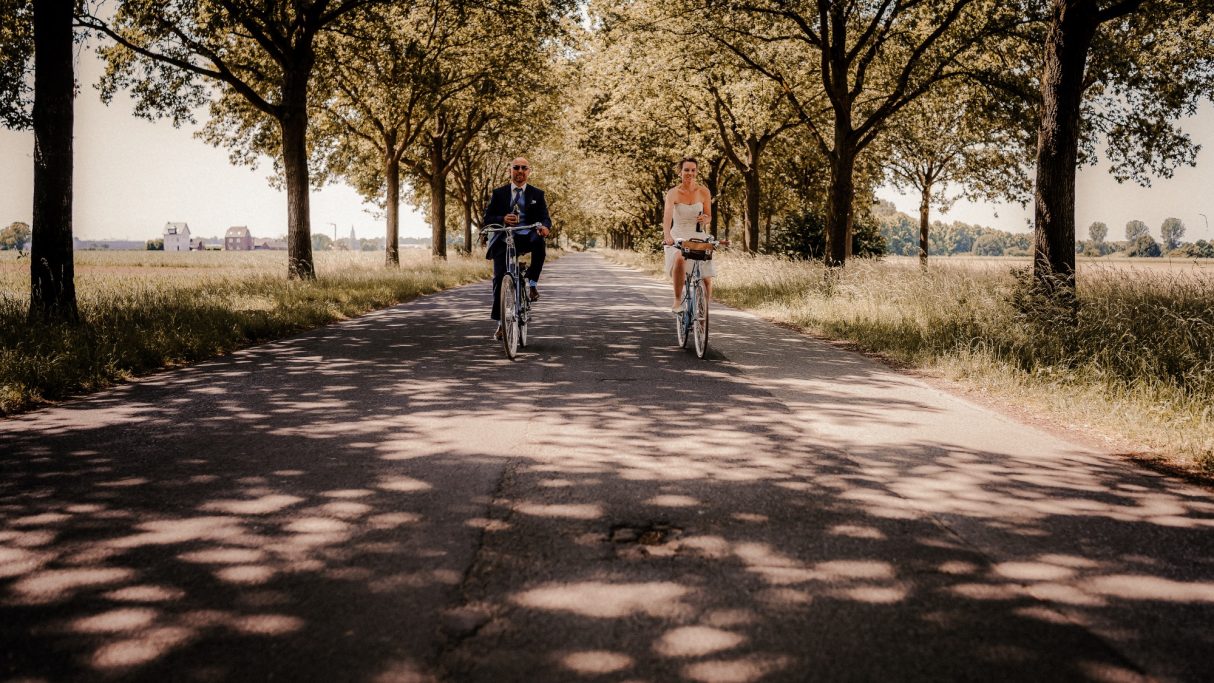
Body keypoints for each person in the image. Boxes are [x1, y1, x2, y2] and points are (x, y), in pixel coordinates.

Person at [483, 157, 552, 339]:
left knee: (539, 242)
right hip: (504, 238)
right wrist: (502, 219)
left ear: (529, 171)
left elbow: (545, 218)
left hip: (526, 236)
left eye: (524, 168)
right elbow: (487, 218)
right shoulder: (499, 193)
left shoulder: (537, 194)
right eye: (516, 167)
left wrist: (545, 227)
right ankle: (500, 324)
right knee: (499, 278)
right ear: (510, 171)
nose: (520, 171)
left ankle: (532, 283)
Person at [662, 156, 713, 312]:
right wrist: (667, 236)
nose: (689, 173)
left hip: (698, 234)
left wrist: (705, 219)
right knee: (679, 257)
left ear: (696, 172)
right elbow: (667, 216)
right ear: (680, 172)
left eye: (693, 170)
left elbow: (709, 217)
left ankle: (703, 314)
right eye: (686, 170)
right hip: (678, 233)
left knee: (706, 277)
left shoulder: (704, 192)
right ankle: (677, 301)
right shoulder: (673, 193)